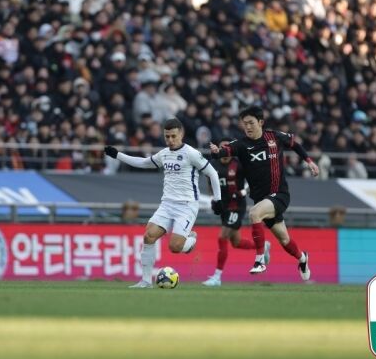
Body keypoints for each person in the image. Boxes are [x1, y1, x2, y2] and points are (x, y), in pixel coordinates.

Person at [104, 118, 223, 288]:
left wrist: (217, 200)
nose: (170, 140)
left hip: (186, 206)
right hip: (167, 204)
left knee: (175, 247)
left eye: (174, 136)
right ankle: (145, 281)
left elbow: (212, 173)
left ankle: (191, 240)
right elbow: (143, 163)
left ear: (181, 134)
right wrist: (118, 155)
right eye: (167, 137)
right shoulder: (164, 153)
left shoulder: (191, 153)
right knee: (148, 236)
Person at [209, 106, 319, 280]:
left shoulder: (274, 136)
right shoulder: (242, 144)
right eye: (245, 124)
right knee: (284, 240)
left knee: (254, 214)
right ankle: (303, 258)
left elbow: (295, 145)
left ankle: (260, 260)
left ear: (260, 122)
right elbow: (225, 151)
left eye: (251, 123)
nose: (248, 127)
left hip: (279, 194)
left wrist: (309, 161)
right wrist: (217, 152)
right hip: (261, 199)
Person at [202, 138, 271, 287]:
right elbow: (210, 182)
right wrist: (214, 199)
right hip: (224, 206)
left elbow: (252, 179)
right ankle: (262, 246)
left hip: (236, 206)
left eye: (228, 148)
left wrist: (242, 191)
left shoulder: (239, 164)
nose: (225, 151)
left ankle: (217, 277)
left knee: (222, 236)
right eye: (222, 148)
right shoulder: (213, 164)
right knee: (236, 242)